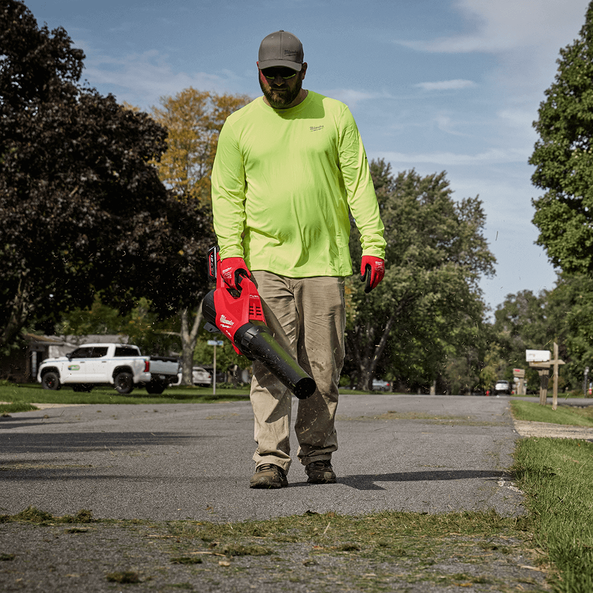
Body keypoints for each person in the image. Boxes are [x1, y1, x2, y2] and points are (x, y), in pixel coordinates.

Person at [211, 30, 386, 489]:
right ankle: (269, 458)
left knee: (323, 368)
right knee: (270, 363)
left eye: (286, 75)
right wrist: (230, 254)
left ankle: (318, 455)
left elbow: (358, 183)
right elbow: (227, 195)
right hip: (262, 264)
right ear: (258, 72)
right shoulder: (239, 124)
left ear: (303, 71)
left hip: (325, 263)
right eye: (270, 76)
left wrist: (373, 243)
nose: (277, 84)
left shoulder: (334, 114)